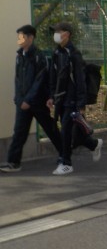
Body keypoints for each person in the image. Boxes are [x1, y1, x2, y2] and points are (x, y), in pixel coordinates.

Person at [0, 25, 63, 173]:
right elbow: (17, 80)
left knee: (50, 129)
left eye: (21, 37)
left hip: (38, 102)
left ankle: (65, 154)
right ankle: (13, 163)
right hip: (22, 103)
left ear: (31, 38)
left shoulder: (39, 56)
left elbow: (39, 81)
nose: (19, 40)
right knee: (19, 132)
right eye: (18, 37)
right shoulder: (19, 56)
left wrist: (28, 100)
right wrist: (19, 99)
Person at [50, 22, 103, 175]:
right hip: (61, 99)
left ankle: (66, 163)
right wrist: (51, 96)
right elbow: (53, 77)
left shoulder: (74, 55)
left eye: (58, 31)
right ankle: (94, 144)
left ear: (67, 34)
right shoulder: (57, 53)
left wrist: (81, 104)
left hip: (72, 100)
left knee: (66, 131)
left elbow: (80, 80)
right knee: (76, 132)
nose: (56, 35)